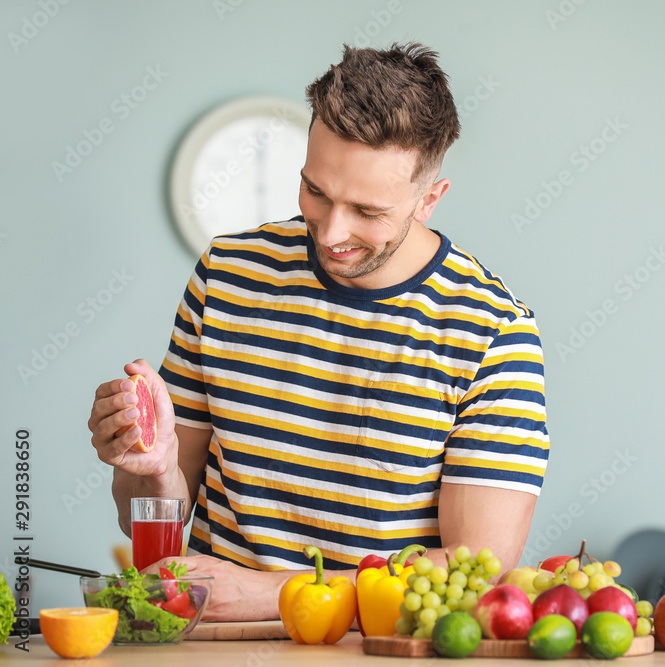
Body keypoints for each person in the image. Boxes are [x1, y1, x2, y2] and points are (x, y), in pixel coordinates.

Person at [87, 42, 549, 622]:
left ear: (430, 198)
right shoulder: (227, 275)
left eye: (368, 211)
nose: (331, 232)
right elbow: (148, 516)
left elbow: (476, 571)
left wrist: (273, 592)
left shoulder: (493, 333)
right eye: (316, 192)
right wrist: (152, 471)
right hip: (211, 646)